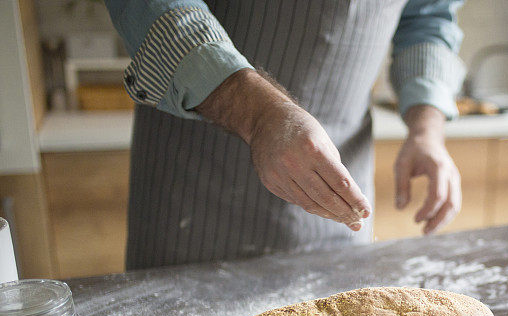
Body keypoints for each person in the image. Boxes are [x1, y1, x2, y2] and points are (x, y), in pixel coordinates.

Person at [103, 0, 466, 269]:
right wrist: (260, 115)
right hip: (194, 196)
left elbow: (428, 20)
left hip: (337, 210)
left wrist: (427, 128)